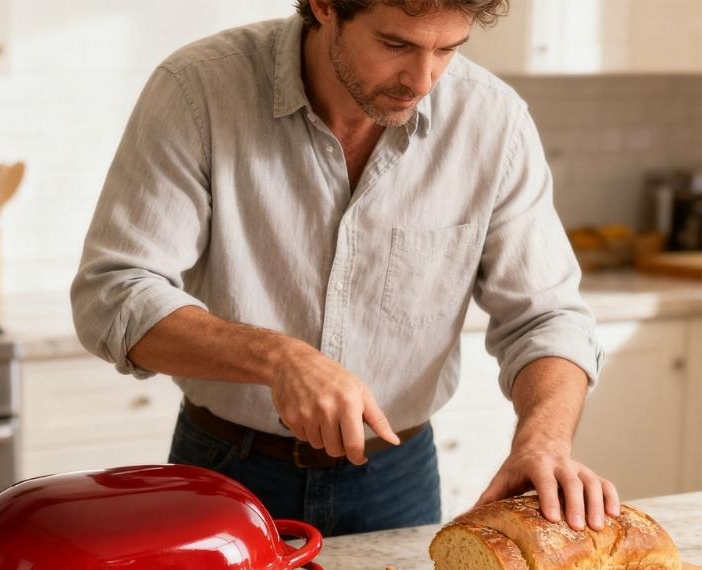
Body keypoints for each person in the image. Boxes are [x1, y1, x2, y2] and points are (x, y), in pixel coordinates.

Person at [71, 0, 621, 537]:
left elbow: (546, 317)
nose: (423, 79)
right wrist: (279, 358)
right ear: (325, 6)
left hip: (397, 479)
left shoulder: (492, 121)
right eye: (395, 44)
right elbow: (114, 295)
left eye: (448, 49)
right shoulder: (199, 90)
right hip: (226, 471)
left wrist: (543, 441)